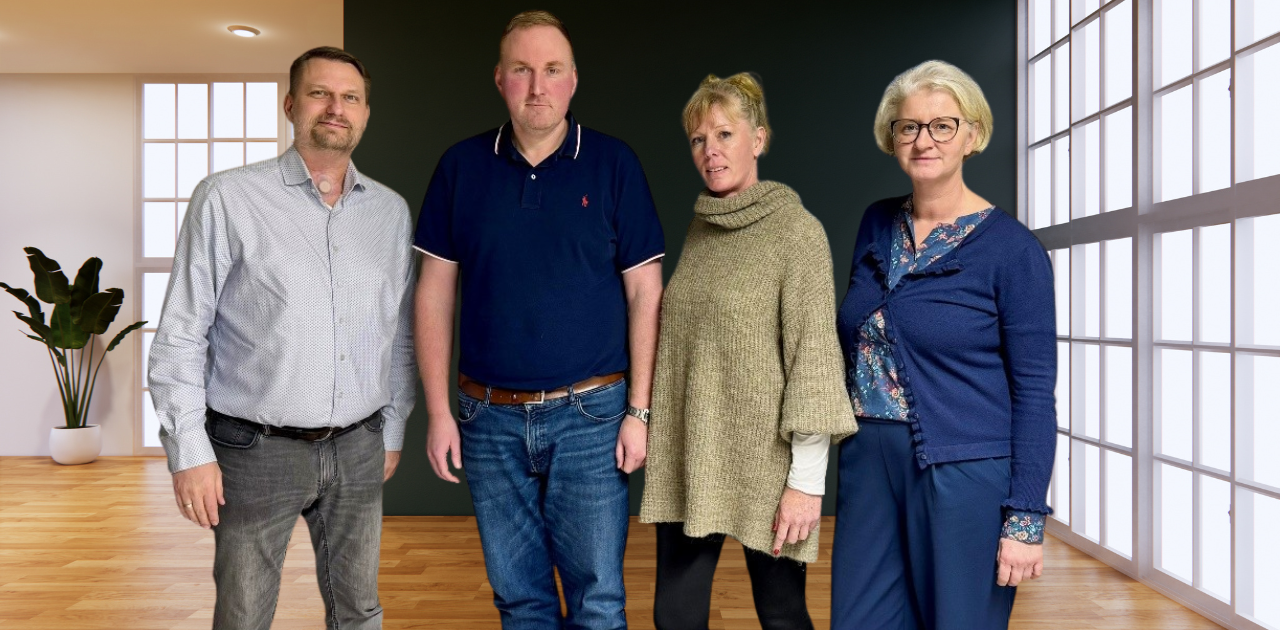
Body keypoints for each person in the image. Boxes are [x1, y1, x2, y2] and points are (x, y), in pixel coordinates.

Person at [148, 46, 416, 630]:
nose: (335, 109)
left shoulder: (390, 214)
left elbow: (398, 337)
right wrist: (189, 451)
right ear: (291, 105)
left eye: (350, 98)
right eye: (321, 94)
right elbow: (181, 333)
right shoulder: (227, 198)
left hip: (358, 447)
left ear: (366, 113)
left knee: (361, 611)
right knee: (243, 615)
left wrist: (392, 428)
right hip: (255, 450)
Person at [412, 10, 664, 629]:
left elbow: (646, 296)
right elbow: (434, 295)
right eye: (522, 70)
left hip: (592, 417)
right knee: (519, 601)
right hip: (485, 417)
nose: (537, 86)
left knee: (599, 601)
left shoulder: (613, 165)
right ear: (500, 79)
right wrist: (440, 412)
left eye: (551, 70)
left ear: (573, 80)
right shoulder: (461, 168)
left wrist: (639, 410)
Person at [830, 60, 1057, 629]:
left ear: (972, 135)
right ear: (892, 139)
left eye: (942, 125)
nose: (923, 139)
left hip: (964, 471)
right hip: (867, 461)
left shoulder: (1013, 250)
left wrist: (1025, 517)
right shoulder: (876, 223)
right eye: (908, 127)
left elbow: (1034, 391)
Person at [640, 73, 856, 630]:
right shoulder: (701, 228)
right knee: (675, 618)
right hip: (695, 455)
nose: (710, 152)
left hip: (770, 468)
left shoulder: (797, 234)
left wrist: (806, 483)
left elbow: (814, 359)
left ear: (758, 139)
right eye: (697, 140)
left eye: (724, 134)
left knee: (782, 614)